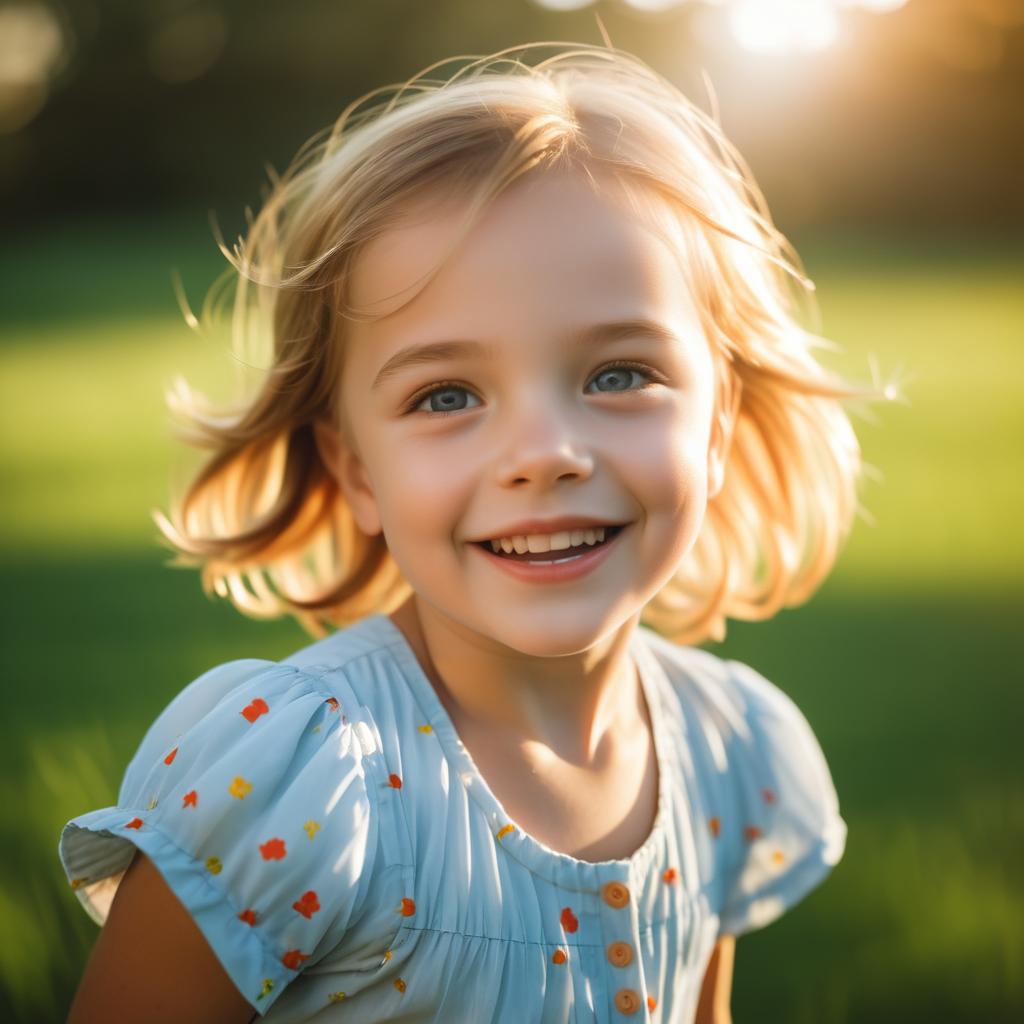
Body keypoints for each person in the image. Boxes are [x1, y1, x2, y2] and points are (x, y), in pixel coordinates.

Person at [59, 40, 892, 1024]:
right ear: (356, 470)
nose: (543, 453)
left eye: (618, 374)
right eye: (446, 394)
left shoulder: (723, 751)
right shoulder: (309, 779)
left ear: (713, 429)